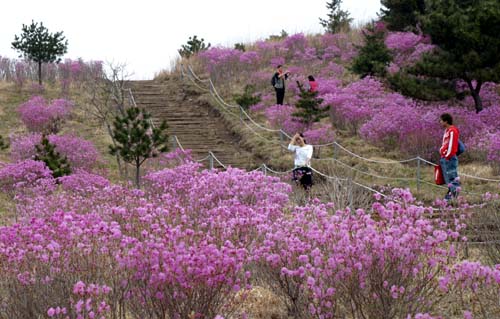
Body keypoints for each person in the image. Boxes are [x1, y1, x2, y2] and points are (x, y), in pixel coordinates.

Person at [439, 113, 461, 201]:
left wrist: (447, 156)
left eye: (441, 120)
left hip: (449, 158)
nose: (440, 122)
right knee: (448, 179)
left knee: (452, 177)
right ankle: (449, 197)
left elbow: (452, 145)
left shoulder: (452, 131)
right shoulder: (447, 131)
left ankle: (452, 198)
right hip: (445, 158)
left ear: (446, 121)